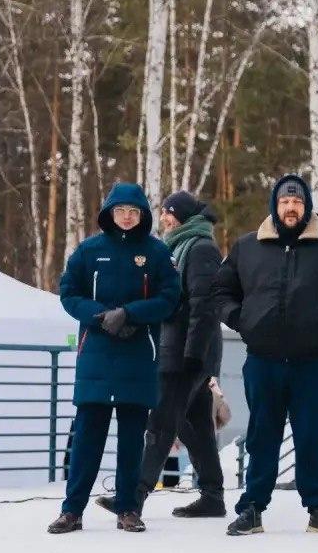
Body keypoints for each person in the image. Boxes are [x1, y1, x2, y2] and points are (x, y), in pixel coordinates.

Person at [213, 175, 318, 537]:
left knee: (311, 435)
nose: (290, 208)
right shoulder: (247, 247)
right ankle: (252, 508)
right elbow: (220, 290)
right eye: (284, 201)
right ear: (275, 205)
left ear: (306, 206)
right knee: (261, 435)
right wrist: (242, 320)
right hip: (263, 360)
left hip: (311, 361)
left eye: (297, 202)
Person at [48, 182, 181, 534]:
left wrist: (131, 314)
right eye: (121, 210)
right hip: (97, 353)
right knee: (87, 437)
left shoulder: (155, 253)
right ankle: (71, 510)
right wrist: (99, 316)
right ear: (109, 213)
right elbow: (68, 291)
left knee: (132, 439)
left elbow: (171, 296)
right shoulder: (89, 251)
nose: (126, 217)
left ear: (142, 216)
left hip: (138, 354)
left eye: (133, 212)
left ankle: (128, 509)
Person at [95, 191, 225, 518]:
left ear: (181, 215)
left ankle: (133, 497)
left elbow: (204, 306)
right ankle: (213, 496)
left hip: (186, 353)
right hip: (180, 349)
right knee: (193, 426)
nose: (164, 219)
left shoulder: (201, 249)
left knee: (161, 420)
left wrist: (194, 354)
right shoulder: (180, 247)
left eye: (168, 213)